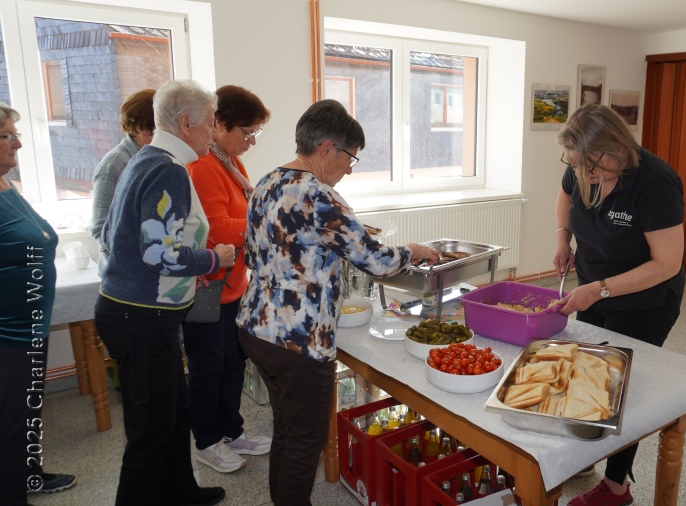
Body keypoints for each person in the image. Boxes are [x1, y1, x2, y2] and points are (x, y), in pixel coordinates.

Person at [235, 99, 440, 506]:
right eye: (351, 157)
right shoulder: (320, 196)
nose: (350, 167)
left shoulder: (267, 180)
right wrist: (414, 249)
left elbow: (252, 253)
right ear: (327, 147)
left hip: (255, 325)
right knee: (305, 441)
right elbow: (377, 262)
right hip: (298, 341)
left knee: (288, 430)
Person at [94, 80, 236, 506]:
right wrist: (214, 261)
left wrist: (189, 264)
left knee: (174, 416)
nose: (214, 132)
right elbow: (160, 253)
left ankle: (179, 491)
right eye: (211, 124)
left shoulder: (146, 159)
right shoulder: (167, 169)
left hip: (141, 312)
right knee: (150, 432)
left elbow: (115, 235)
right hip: (141, 318)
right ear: (186, 122)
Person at [554, 104, 685, 506]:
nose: (583, 175)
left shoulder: (655, 182)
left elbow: (667, 263)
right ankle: (586, 453)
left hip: (646, 298)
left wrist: (601, 289)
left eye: (590, 167)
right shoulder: (583, 165)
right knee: (587, 368)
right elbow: (564, 198)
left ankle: (616, 487)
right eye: (575, 165)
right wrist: (563, 239)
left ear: (614, 149)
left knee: (620, 386)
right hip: (594, 282)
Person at [184, 85, 272, 473]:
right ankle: (206, 440)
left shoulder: (230, 161)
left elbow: (245, 210)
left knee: (234, 364)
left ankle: (231, 431)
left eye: (256, 133)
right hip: (207, 287)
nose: (251, 141)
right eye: (247, 132)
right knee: (208, 366)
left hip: (234, 283)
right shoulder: (202, 166)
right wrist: (266, 223)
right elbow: (217, 228)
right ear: (219, 124)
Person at [0, 103, 76, 506]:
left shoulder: (7, 184)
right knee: (10, 423)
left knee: (28, 413)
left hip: (31, 325)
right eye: (8, 136)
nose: (18, 143)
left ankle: (29, 477)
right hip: (7, 332)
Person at [90, 88, 156, 270]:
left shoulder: (155, 160)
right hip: (123, 275)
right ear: (144, 130)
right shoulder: (114, 165)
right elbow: (100, 227)